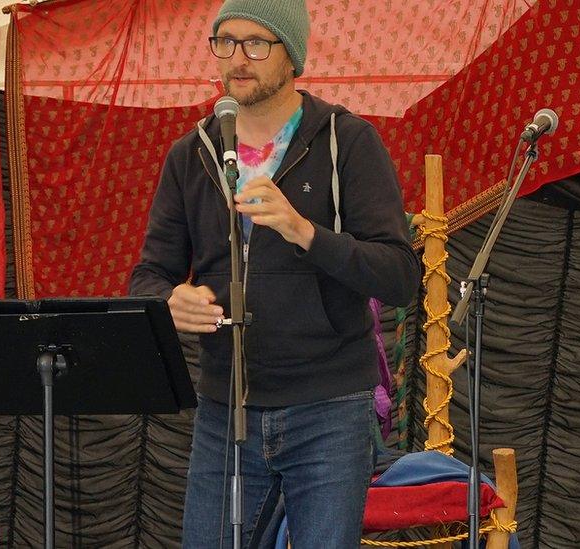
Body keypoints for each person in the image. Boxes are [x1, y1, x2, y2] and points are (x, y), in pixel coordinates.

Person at [129, 0, 420, 546]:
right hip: (225, 408)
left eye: (257, 43)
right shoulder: (192, 154)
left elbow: (399, 274)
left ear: (293, 56)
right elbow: (148, 276)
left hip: (330, 409)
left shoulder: (346, 142)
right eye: (226, 42)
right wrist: (171, 300)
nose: (238, 58)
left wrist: (305, 231)